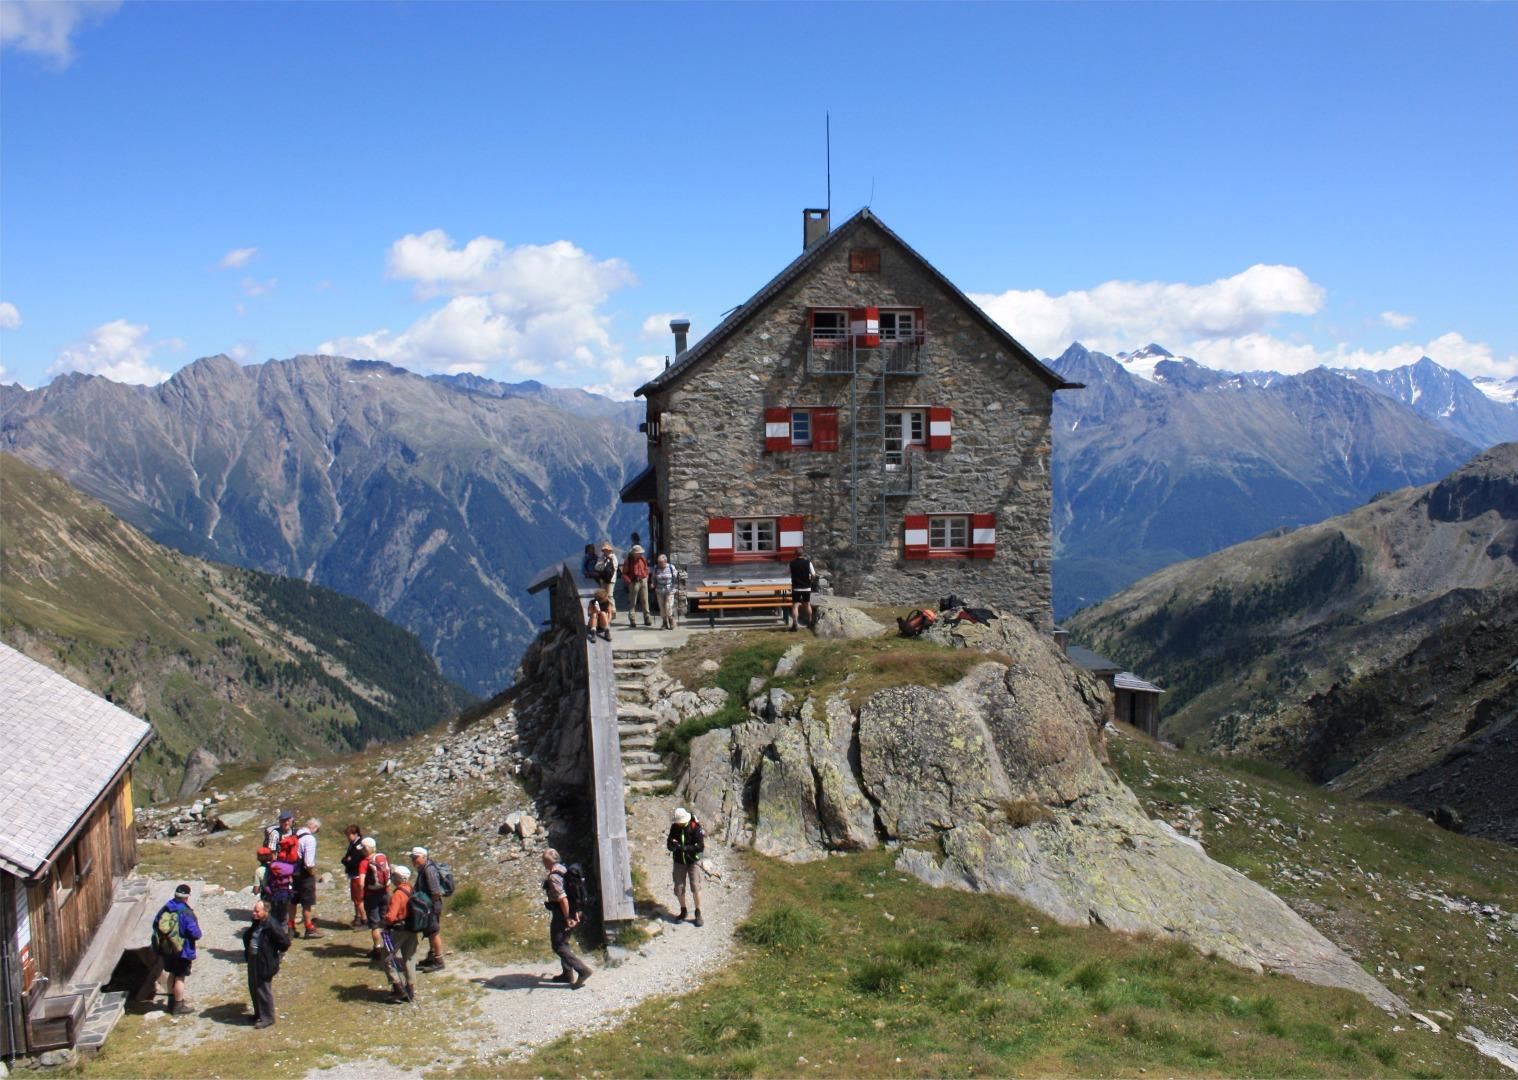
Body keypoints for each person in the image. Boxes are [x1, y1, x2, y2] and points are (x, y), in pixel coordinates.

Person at [540, 849, 592, 988]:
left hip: (562, 913)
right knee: (564, 941)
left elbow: (562, 899)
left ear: (547, 862)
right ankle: (567, 974)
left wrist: (568, 917)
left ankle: (582, 970)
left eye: (543, 860)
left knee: (558, 945)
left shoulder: (553, 877)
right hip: (575, 910)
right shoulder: (563, 868)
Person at [152, 883, 203, 1015]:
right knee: (180, 977)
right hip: (182, 951)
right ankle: (178, 1006)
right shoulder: (186, 912)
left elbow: (156, 924)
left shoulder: (166, 908)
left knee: (172, 974)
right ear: (187, 897)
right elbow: (195, 933)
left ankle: (171, 1002)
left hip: (167, 949)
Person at [243, 899, 290, 1029]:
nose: (254, 913)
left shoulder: (272, 925)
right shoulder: (257, 922)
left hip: (264, 960)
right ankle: (258, 1014)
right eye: (254, 910)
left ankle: (268, 1017)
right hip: (254, 958)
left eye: (257, 911)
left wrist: (275, 954)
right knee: (253, 986)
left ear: (265, 911)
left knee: (263, 989)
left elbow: (284, 942)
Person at [382, 865, 418, 1003]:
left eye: (393, 875)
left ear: (398, 877)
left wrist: (383, 921)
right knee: (409, 959)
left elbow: (391, 917)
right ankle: (411, 989)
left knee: (387, 957)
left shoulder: (398, 894)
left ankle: (398, 988)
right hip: (412, 928)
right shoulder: (411, 889)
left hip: (399, 930)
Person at [667, 807, 706, 926]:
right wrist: (672, 846)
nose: (677, 824)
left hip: (693, 861)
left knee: (695, 886)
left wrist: (686, 848)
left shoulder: (695, 827)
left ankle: (698, 913)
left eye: (679, 822)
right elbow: (669, 843)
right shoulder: (674, 827)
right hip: (679, 861)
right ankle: (683, 911)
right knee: (679, 887)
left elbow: (700, 847)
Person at [410, 847, 446, 972]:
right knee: (430, 932)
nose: (413, 860)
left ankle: (438, 960)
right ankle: (431, 957)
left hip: (431, 905)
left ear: (423, 857)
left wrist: (426, 904)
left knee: (433, 933)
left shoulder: (429, 870)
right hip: (429, 905)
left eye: (415, 857)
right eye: (412, 857)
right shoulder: (424, 868)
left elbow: (435, 891)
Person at [360, 837, 391, 956]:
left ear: (366, 849)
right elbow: (387, 877)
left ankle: (377, 949)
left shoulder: (364, 862)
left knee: (374, 924)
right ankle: (389, 948)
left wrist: (361, 894)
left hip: (371, 895)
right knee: (385, 922)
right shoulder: (381, 858)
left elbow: (361, 882)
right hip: (384, 893)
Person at [294, 818, 322, 938]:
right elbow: (309, 862)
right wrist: (311, 874)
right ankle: (309, 927)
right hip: (304, 874)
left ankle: (290, 927)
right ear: (314, 827)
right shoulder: (309, 839)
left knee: (293, 901)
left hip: (292, 872)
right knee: (307, 902)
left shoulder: (295, 835)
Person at [341, 824, 366, 927]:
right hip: (353, 874)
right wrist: (346, 860)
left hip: (357, 875)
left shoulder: (359, 846)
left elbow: (353, 861)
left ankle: (364, 919)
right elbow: (345, 858)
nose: (348, 838)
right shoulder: (353, 844)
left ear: (355, 834)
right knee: (355, 899)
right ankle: (358, 917)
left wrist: (347, 861)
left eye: (349, 835)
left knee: (358, 899)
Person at [621, 544, 652, 628]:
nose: (640, 554)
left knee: (645, 600)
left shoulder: (642, 559)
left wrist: (646, 576)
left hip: (643, 580)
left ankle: (647, 618)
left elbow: (646, 568)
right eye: (638, 553)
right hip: (634, 582)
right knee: (633, 602)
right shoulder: (628, 561)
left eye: (640, 553)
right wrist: (629, 582)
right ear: (634, 553)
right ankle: (632, 619)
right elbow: (624, 573)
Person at [788, 548, 818, 632]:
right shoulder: (808, 563)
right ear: (803, 554)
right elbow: (813, 574)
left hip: (796, 587)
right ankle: (810, 621)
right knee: (807, 604)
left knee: (795, 606)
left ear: (795, 554)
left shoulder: (791, 563)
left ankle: (795, 624)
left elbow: (787, 573)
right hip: (806, 587)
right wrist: (811, 581)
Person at [653, 554, 678, 630]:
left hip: (669, 590)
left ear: (665, 561)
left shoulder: (671, 567)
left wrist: (674, 586)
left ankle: (671, 620)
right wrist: (652, 584)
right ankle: (664, 623)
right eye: (658, 562)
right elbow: (653, 578)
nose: (659, 564)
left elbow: (675, 578)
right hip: (659, 590)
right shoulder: (656, 568)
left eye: (661, 562)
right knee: (661, 607)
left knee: (668, 606)